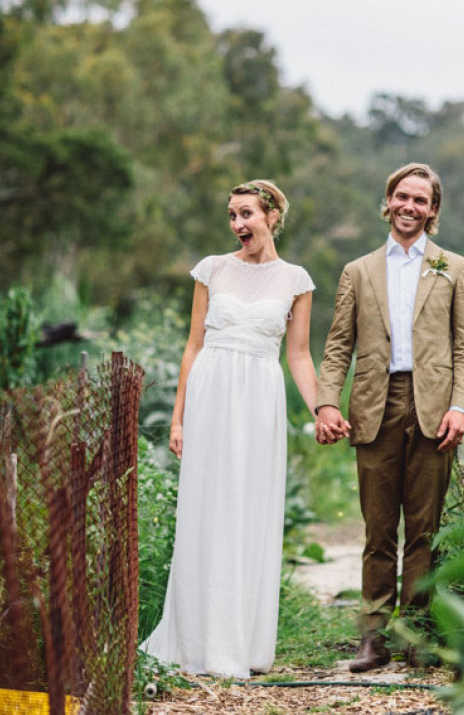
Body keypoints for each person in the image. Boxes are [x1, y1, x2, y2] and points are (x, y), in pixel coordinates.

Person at [142, 180, 317, 678]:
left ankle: (241, 641)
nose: (239, 224)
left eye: (247, 214)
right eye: (232, 216)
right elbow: (192, 346)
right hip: (211, 391)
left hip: (260, 398)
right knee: (206, 506)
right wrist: (177, 418)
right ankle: (197, 639)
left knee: (248, 507)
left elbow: (299, 355)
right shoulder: (212, 269)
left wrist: (324, 407)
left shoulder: (296, 281)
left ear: (272, 216)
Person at [315, 162, 464, 672]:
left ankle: (417, 634)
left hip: (435, 409)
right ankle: (374, 636)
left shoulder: (455, 267)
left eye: (420, 200)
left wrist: (460, 405)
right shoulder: (358, 271)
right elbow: (338, 345)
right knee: (379, 530)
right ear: (388, 201)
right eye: (401, 197)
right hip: (374, 406)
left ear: (433, 210)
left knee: (424, 530)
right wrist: (326, 401)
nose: (409, 207)